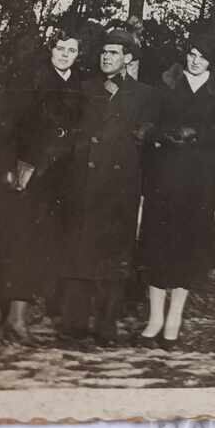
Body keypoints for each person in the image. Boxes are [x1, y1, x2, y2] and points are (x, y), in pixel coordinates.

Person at [0, 30, 83, 345]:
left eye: (71, 49)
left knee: (34, 247)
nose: (64, 54)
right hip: (18, 177)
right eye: (60, 47)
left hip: (51, 182)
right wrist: (7, 168)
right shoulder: (31, 77)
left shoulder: (77, 86)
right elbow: (4, 125)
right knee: (0, 241)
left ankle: (17, 320)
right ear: (51, 50)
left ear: (78, 54)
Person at [137, 25, 215, 349]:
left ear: (212, 62)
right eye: (192, 54)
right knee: (157, 246)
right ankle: (153, 320)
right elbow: (145, 125)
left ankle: (173, 321)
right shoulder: (167, 84)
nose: (195, 61)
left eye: (202, 57)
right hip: (163, 177)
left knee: (186, 249)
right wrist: (162, 135)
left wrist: (198, 135)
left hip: (197, 181)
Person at [58, 28, 157, 346]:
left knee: (114, 257)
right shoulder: (83, 89)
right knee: (78, 253)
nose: (106, 56)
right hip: (84, 185)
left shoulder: (144, 95)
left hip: (120, 187)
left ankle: (105, 327)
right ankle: (73, 326)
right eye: (104, 51)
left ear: (128, 58)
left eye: (113, 52)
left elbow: (149, 142)